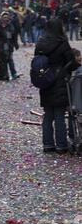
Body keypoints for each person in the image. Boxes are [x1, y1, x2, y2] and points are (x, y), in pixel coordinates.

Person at [35, 18, 78, 154]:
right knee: (59, 114)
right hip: (60, 81)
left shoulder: (41, 42)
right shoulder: (62, 42)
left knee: (48, 114)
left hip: (45, 81)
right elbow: (70, 61)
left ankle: (47, 144)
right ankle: (61, 145)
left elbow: (37, 60)